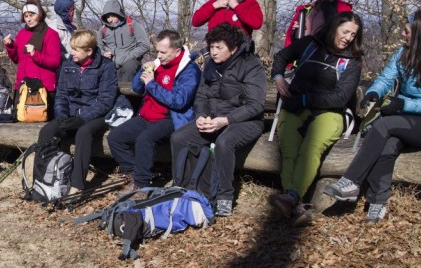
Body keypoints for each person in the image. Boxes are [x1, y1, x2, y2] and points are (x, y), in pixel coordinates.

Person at [324, 10, 421, 224]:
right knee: (388, 146)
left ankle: (351, 181)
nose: (402, 34)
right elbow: (386, 77)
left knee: (385, 124)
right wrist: (374, 92)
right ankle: (378, 203)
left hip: (418, 120)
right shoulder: (402, 53)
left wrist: (403, 103)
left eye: (406, 31)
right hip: (405, 118)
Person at [268, 12, 363, 226]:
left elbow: (340, 97)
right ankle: (295, 202)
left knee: (311, 147)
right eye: (345, 31)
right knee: (289, 147)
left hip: (330, 112)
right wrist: (278, 76)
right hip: (295, 105)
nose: (348, 37)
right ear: (333, 28)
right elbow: (281, 56)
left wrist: (305, 100)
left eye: (353, 34)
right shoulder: (310, 44)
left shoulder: (353, 62)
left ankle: (291, 197)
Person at [170, 24, 266, 217]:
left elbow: (255, 105)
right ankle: (183, 186)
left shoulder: (251, 65)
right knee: (179, 138)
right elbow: (201, 97)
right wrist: (200, 117)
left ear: (233, 48)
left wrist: (226, 120)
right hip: (213, 119)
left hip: (247, 121)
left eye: (218, 48)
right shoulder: (211, 65)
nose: (213, 52)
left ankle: (224, 197)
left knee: (224, 142)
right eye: (211, 47)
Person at [106, 30, 200, 191]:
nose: (159, 55)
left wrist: (152, 84)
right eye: (157, 51)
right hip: (146, 115)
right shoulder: (158, 64)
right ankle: (133, 174)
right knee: (115, 137)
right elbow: (136, 88)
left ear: (177, 51)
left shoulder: (189, 70)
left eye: (163, 52)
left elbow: (179, 101)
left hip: (170, 118)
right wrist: (144, 71)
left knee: (145, 139)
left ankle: (141, 185)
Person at [37, 28, 118, 194]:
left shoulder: (106, 66)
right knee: (47, 131)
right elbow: (61, 95)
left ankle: (77, 184)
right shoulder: (68, 65)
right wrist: (61, 116)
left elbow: (105, 101)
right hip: (71, 113)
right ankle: (41, 180)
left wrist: (82, 119)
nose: (71, 52)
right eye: (71, 48)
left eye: (75, 49)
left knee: (83, 132)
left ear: (89, 51)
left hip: (96, 115)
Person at [3, 0, 62, 110]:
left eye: (32, 15)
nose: (29, 19)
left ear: (39, 15)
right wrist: (10, 46)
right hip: (23, 87)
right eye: (26, 16)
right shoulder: (21, 34)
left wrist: (35, 54)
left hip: (43, 88)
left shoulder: (51, 34)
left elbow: (55, 62)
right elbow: (17, 60)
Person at [284, 0, 353, 47]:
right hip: (303, 52)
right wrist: (294, 31)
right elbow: (290, 37)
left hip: (325, 53)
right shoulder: (306, 10)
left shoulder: (342, 9)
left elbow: (342, 33)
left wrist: (326, 5)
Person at [95, 0, 150, 83]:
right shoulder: (103, 29)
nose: (109, 20)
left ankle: (129, 94)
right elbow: (98, 46)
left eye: (112, 16)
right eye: (107, 17)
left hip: (130, 63)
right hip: (111, 65)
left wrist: (128, 56)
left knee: (130, 66)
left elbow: (145, 45)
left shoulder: (133, 25)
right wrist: (104, 53)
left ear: (119, 14)